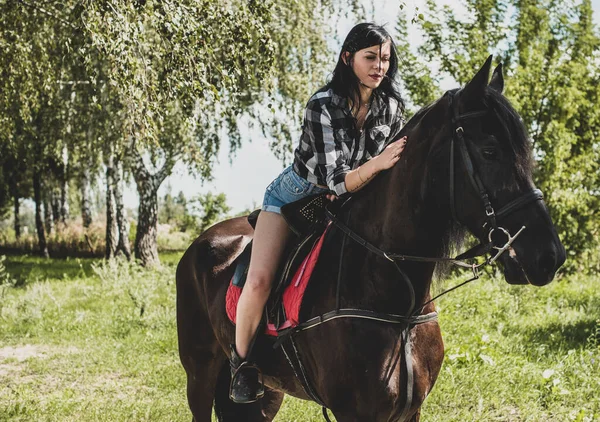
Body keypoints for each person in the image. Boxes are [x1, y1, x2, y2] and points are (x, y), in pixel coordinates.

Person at [229, 22, 408, 403]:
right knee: (259, 281)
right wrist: (377, 165)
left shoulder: (392, 107)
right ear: (348, 58)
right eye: (371, 57)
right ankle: (241, 365)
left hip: (351, 204)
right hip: (297, 199)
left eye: (386, 59)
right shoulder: (322, 104)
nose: (380, 67)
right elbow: (336, 180)